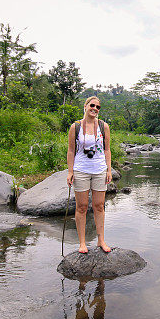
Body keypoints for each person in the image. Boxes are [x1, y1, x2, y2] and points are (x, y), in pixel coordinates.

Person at [66, 96, 113, 254]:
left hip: (99, 170)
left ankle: (101, 240)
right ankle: (82, 243)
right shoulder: (76, 126)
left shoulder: (103, 126)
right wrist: (70, 171)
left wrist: (108, 169)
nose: (95, 109)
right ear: (85, 106)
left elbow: (107, 149)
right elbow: (71, 150)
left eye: (98, 107)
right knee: (82, 207)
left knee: (99, 206)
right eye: (92, 105)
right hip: (81, 170)